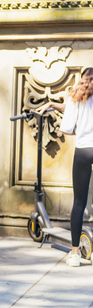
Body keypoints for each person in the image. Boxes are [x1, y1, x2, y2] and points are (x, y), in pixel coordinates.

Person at [37, 67, 93, 267]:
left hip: (84, 151)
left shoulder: (75, 98)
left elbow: (67, 130)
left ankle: (75, 253)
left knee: (79, 203)